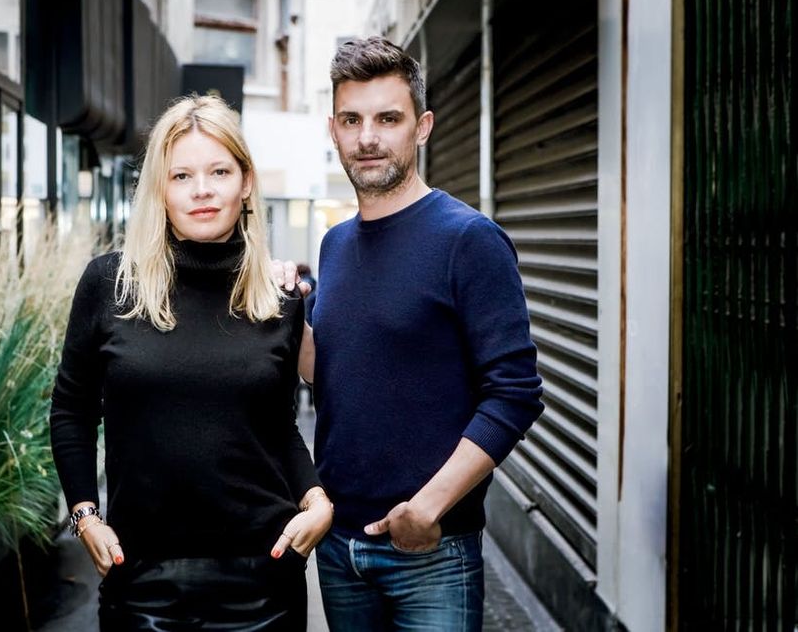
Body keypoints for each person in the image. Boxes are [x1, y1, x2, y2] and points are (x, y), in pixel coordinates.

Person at [49, 94, 333, 631]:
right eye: (181, 175)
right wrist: (85, 514)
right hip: (139, 577)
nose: (202, 189)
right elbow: (71, 411)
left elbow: (277, 426)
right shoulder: (110, 284)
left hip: (264, 578)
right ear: (160, 188)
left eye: (219, 171)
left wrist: (317, 500)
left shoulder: (278, 297)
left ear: (245, 182)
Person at [300, 36, 545, 631]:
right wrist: (274, 304)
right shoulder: (335, 245)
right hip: (339, 548)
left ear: (423, 127)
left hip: (432, 551)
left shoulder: (469, 239)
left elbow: (515, 393)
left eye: (388, 118)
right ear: (333, 130)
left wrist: (428, 507)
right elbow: (329, 371)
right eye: (352, 120)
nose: (367, 137)